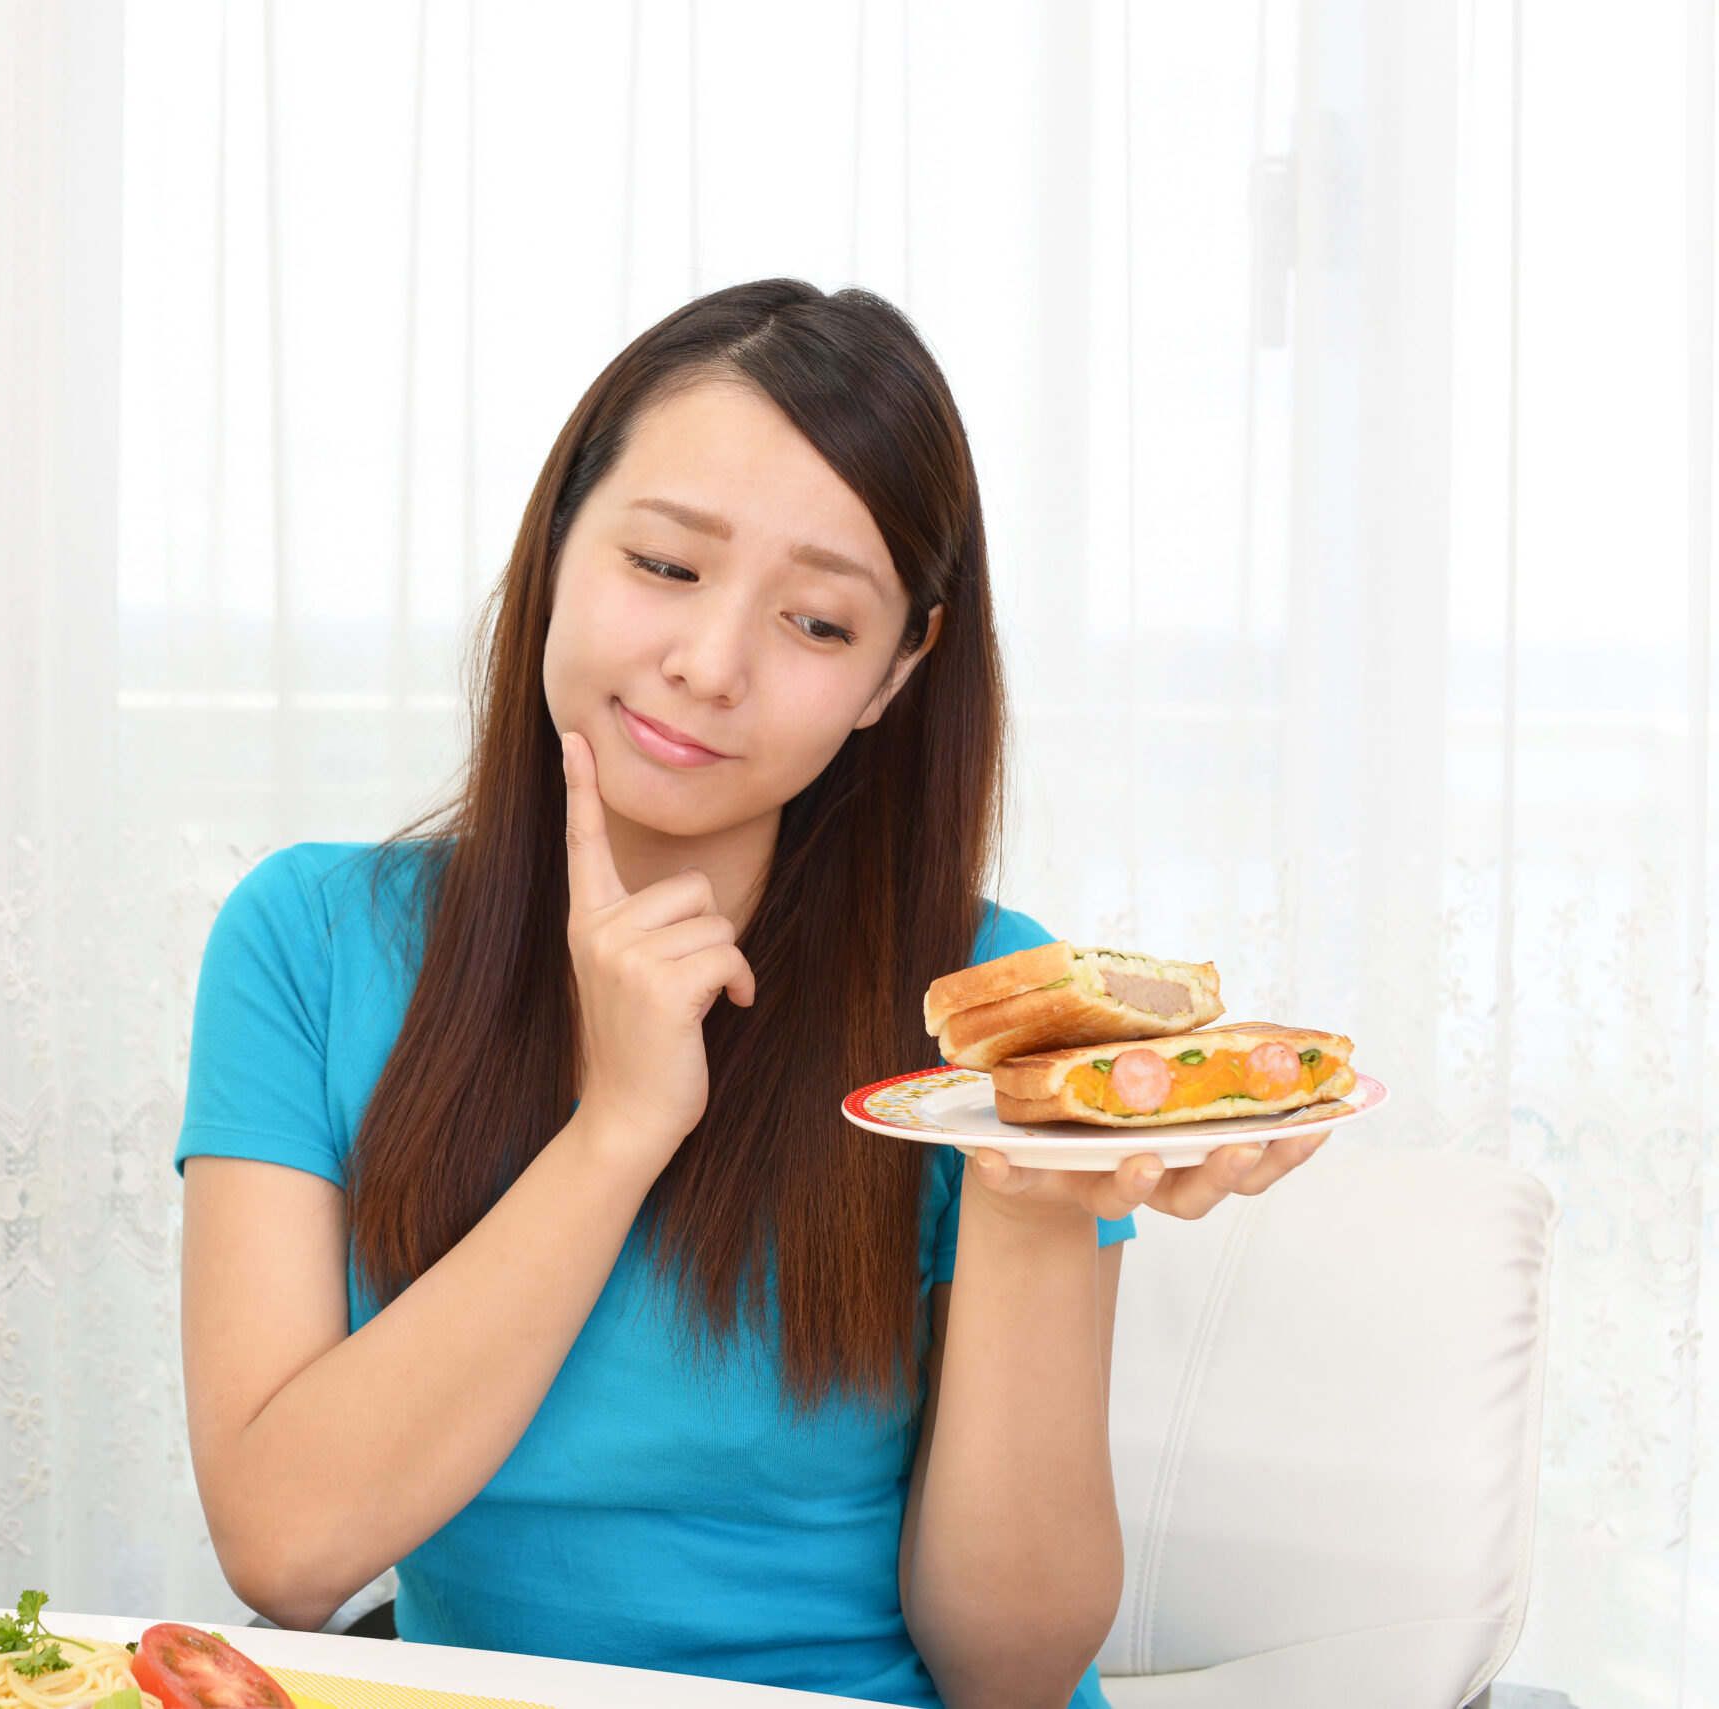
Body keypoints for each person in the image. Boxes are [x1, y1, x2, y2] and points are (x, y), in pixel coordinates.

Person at [174, 279, 1321, 1708]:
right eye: (665, 564)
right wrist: (617, 1128)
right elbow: (285, 1551)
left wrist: (1028, 1206)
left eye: (819, 625)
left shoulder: (977, 1013)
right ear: (556, 538)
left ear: (897, 672)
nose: (709, 665)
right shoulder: (308, 943)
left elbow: (1014, 1672)